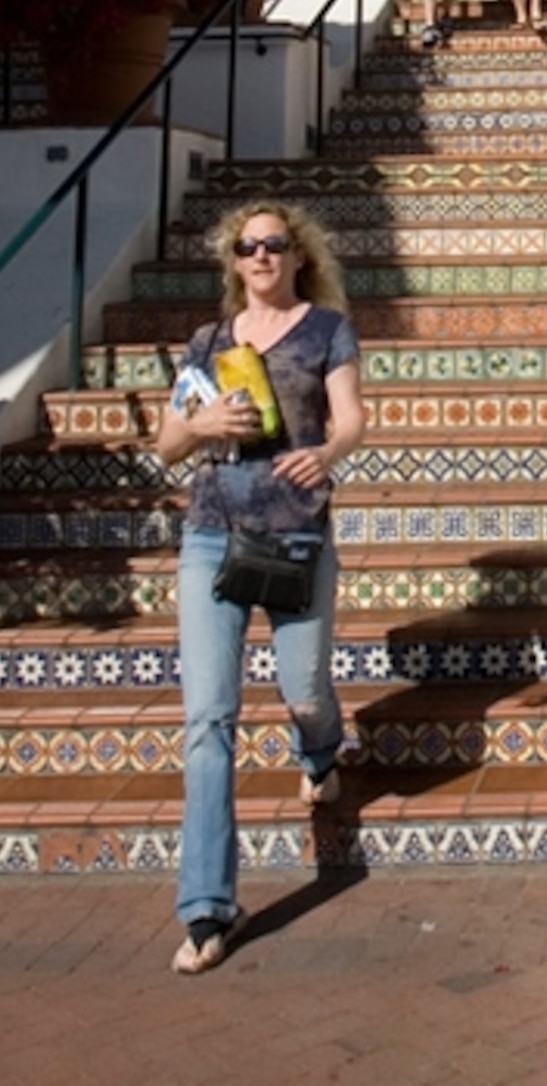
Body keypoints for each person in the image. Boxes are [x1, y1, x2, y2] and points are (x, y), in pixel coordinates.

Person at [152, 202, 369, 971]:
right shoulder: (209, 343)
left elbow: (350, 419)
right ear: (234, 261)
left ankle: (319, 752)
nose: (263, 256)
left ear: (297, 255)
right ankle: (207, 907)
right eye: (249, 247)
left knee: (304, 689)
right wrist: (200, 424)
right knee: (209, 718)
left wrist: (328, 453)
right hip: (213, 534)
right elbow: (168, 444)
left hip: (297, 532)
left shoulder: (325, 329)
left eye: (276, 245)